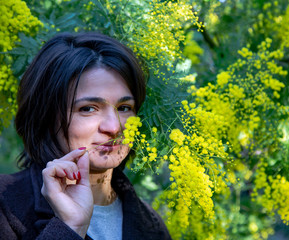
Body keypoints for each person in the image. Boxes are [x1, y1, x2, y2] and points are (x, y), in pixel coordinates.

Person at [0, 32, 172, 240]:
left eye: (124, 107)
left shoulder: (152, 226)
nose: (114, 127)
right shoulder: (5, 205)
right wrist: (70, 227)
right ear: (45, 115)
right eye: (88, 109)